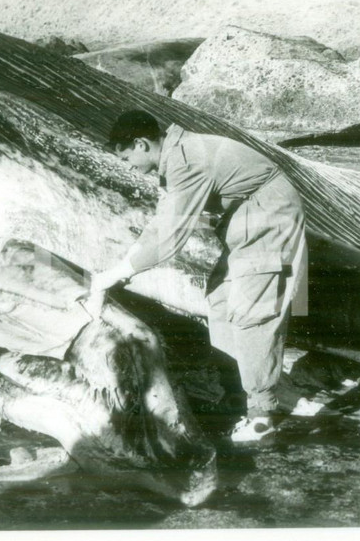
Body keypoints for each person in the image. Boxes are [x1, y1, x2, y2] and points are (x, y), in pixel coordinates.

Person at [90, 110, 309, 443]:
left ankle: (262, 415)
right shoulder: (176, 159)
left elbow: (170, 238)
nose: (127, 164)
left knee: (253, 311)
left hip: (269, 217)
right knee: (220, 300)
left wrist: (114, 276)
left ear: (141, 144)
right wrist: (123, 266)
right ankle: (238, 394)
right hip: (246, 220)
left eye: (126, 157)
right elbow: (160, 224)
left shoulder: (188, 161)